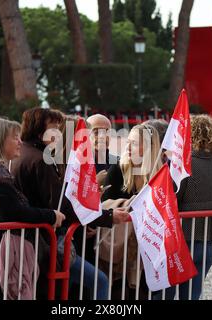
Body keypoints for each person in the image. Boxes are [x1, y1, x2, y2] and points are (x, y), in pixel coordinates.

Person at [11, 107, 129, 300]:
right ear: (39, 129)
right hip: (45, 242)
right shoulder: (41, 159)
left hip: (41, 241)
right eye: (54, 127)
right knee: (97, 282)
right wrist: (106, 217)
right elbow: (61, 205)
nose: (58, 131)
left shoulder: (29, 154)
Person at [0, 118, 65, 300]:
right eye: (15, 138)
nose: (20, 142)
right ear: (0, 140)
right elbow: (12, 211)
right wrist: (50, 216)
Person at [153, 114, 212, 300]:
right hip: (206, 243)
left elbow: (170, 200)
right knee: (192, 295)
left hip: (179, 242)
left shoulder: (181, 165)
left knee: (165, 294)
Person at [101, 123, 162, 299]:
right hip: (116, 247)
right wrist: (128, 204)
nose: (128, 147)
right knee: (118, 292)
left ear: (149, 147)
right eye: (128, 142)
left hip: (146, 249)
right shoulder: (117, 169)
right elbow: (103, 203)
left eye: (134, 143)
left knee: (143, 292)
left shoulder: (159, 175)